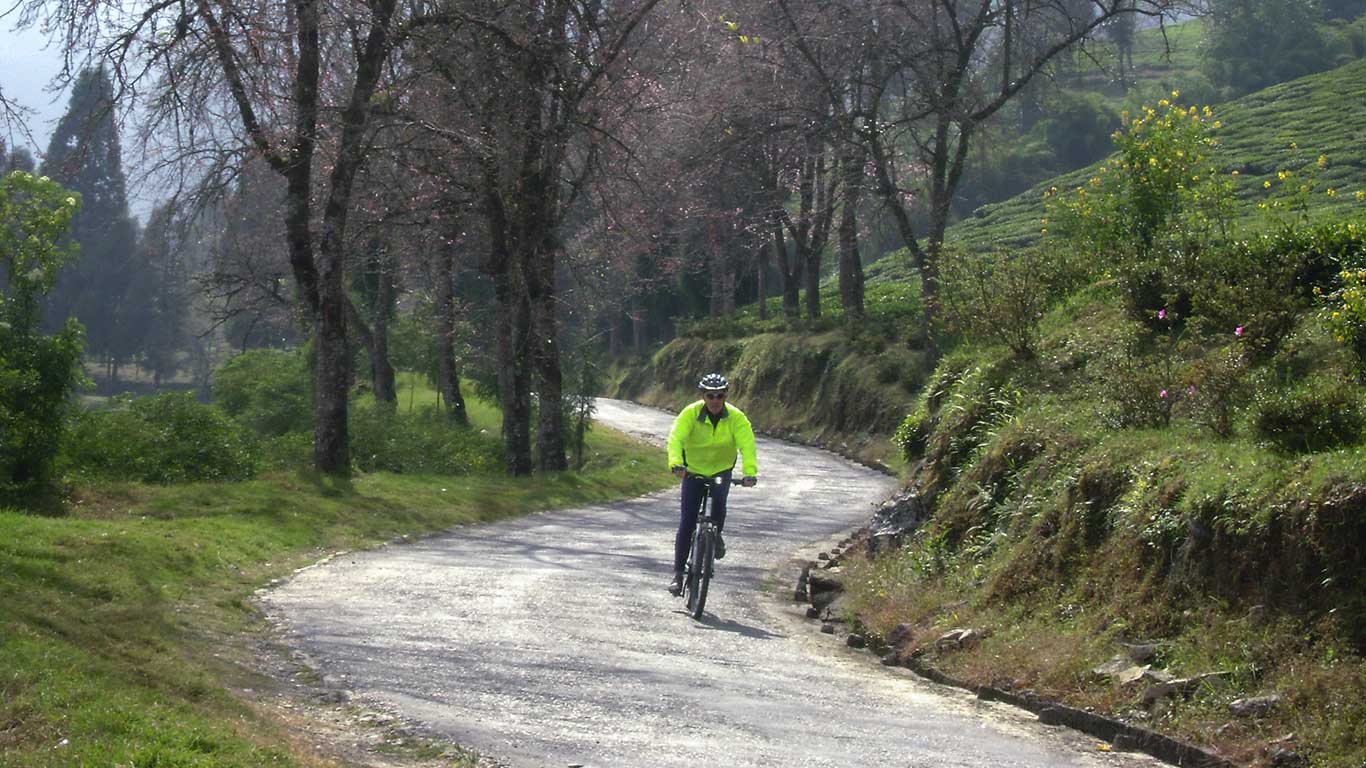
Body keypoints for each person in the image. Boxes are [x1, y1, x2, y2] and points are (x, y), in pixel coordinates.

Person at [666, 373, 758, 595]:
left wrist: (749, 473)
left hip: (721, 471)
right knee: (687, 521)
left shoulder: (736, 418)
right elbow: (676, 438)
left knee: (719, 507)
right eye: (710, 396)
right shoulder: (690, 413)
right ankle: (678, 574)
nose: (715, 400)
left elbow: (747, 445)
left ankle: (715, 537)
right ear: (703, 396)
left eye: (720, 396)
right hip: (693, 472)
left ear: (725, 396)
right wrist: (676, 463)